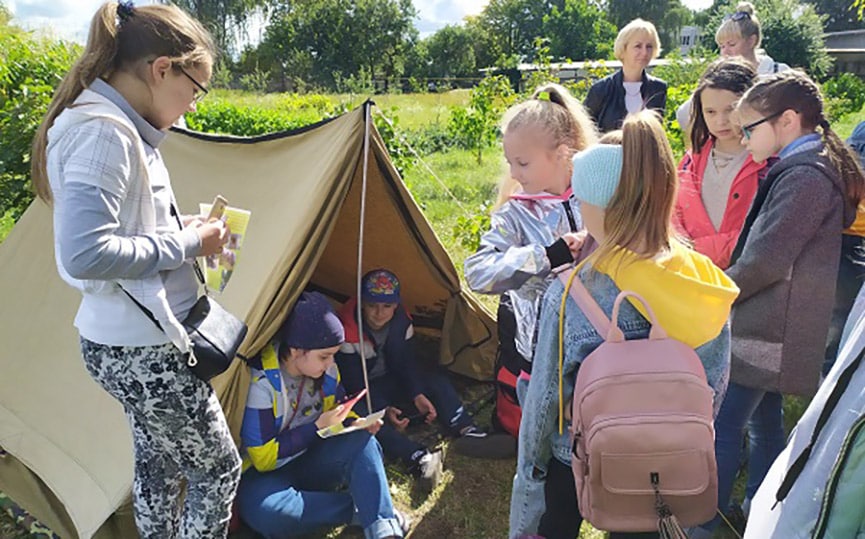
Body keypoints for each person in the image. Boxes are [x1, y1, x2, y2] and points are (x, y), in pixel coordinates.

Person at [30, 2, 240, 537]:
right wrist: (191, 241)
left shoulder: (114, 124)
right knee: (218, 471)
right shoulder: (105, 132)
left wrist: (181, 230)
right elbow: (84, 254)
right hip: (143, 351)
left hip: (123, 343)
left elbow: (121, 229)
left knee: (159, 461)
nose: (191, 106)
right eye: (196, 88)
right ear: (162, 68)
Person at [509, 111, 737, 539]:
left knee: (556, 525)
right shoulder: (703, 281)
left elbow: (545, 399)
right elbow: (712, 387)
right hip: (665, 455)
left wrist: (529, 474)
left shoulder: (575, 291)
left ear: (599, 208)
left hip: (574, 451)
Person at [690, 70, 865, 538]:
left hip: (771, 326)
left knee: (723, 425)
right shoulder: (803, 166)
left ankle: (704, 522)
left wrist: (718, 291)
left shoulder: (805, 176)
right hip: (775, 324)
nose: (741, 138)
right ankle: (763, 510)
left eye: (750, 128)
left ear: (787, 121)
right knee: (763, 424)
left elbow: (766, 259)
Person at [465, 83, 596, 410]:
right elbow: (478, 273)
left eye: (522, 163)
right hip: (539, 356)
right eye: (510, 162)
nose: (513, 173)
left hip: (597, 346)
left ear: (563, 153)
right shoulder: (516, 213)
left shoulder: (598, 195)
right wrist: (546, 256)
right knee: (542, 436)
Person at [238, 292, 406, 539]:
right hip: (265, 477)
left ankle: (383, 527)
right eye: (324, 356)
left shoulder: (326, 372)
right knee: (268, 514)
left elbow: (336, 410)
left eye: (332, 355)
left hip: (313, 459)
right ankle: (362, 510)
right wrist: (316, 427)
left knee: (363, 442)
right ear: (296, 351)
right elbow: (263, 458)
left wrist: (354, 423)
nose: (330, 364)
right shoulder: (261, 383)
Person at [335, 269, 512, 488]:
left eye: (387, 307)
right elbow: (354, 384)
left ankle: (466, 429)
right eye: (372, 306)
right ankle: (418, 457)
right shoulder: (346, 329)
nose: (379, 313)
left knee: (434, 379)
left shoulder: (401, 322)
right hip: (364, 389)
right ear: (362, 303)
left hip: (391, 378)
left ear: (396, 305)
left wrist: (416, 393)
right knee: (363, 418)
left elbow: (406, 364)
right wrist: (384, 409)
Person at [674, 57, 768, 269]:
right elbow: (672, 212)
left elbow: (764, 231)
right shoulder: (690, 160)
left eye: (730, 109)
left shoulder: (767, 162)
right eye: (711, 112)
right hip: (692, 275)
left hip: (743, 276)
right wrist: (681, 248)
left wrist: (699, 251)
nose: (720, 121)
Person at [677, 2, 790, 133]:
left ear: (752, 41)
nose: (725, 52)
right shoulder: (719, 77)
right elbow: (684, 116)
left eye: (731, 44)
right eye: (722, 46)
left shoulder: (779, 73)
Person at [822, 120, 865, 375]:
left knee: (841, 315)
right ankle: (832, 375)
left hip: (845, 232)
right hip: (850, 235)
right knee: (842, 316)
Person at [584, 18, 667, 133]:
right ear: (623, 49)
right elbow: (584, 132)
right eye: (638, 46)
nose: (644, 52)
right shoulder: (600, 90)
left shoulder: (658, 89)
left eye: (649, 47)